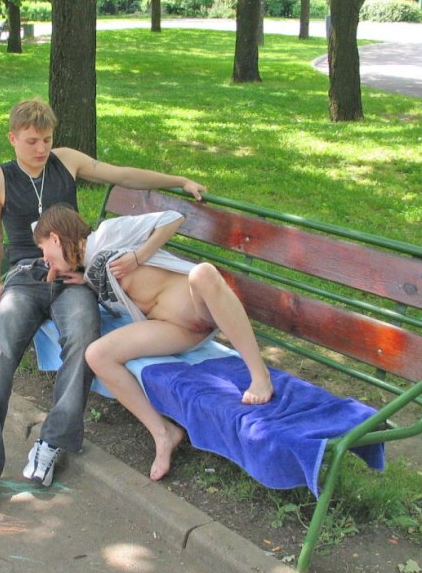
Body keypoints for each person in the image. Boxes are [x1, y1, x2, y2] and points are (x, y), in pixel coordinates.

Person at [0, 97, 207, 514]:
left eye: (47, 140)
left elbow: (121, 174)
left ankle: (54, 440)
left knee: (84, 342)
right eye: (32, 141)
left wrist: (177, 180)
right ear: (12, 138)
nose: (40, 149)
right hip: (26, 276)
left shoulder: (65, 161)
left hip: (75, 275)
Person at [32, 204, 274, 482]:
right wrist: (84, 280)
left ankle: (259, 375)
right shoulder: (90, 273)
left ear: (54, 237)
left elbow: (173, 219)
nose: (44, 257)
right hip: (173, 329)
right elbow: (112, 284)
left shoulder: (109, 233)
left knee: (204, 273)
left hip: (198, 304)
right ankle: (163, 433)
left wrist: (139, 256)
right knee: (97, 354)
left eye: (43, 248)